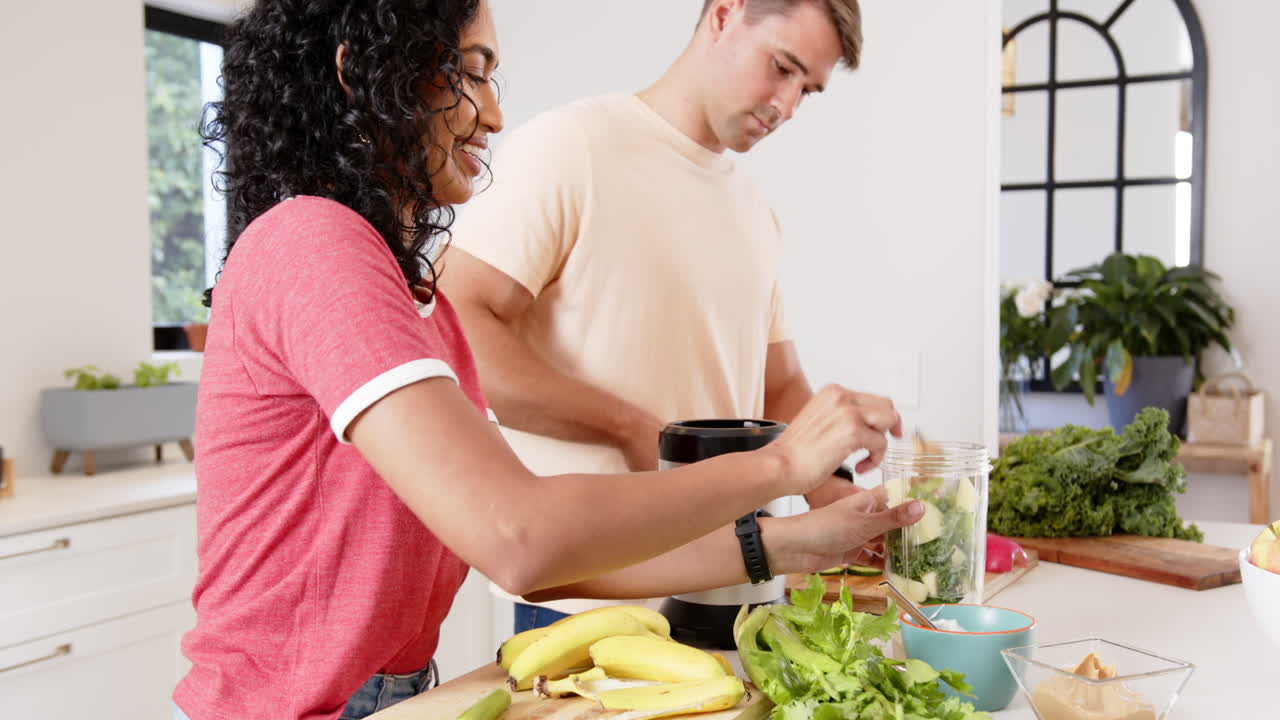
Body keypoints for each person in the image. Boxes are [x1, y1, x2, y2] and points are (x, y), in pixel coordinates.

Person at [173, 1, 920, 719]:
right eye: (467, 71)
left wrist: (794, 542)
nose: (494, 115)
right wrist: (782, 466)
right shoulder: (311, 243)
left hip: (397, 694)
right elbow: (518, 537)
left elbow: (546, 547)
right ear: (360, 69)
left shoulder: (413, 301)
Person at [443, 0, 876, 632]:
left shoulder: (754, 211)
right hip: (588, 606)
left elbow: (778, 384)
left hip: (737, 584)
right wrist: (628, 426)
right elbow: (456, 334)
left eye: (807, 89)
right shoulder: (572, 146)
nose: (787, 107)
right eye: (782, 68)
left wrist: (832, 487)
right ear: (725, 14)